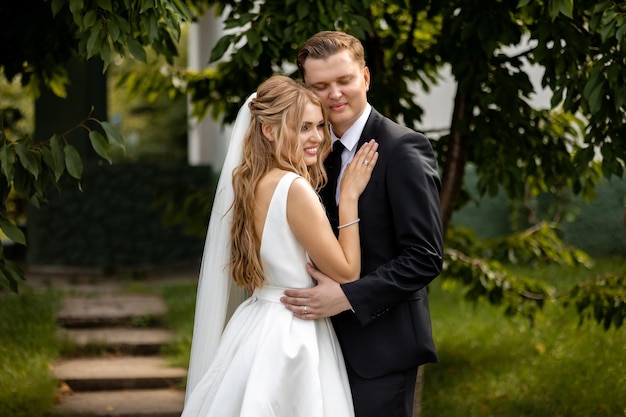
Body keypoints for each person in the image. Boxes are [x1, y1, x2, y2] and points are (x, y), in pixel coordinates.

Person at [181, 75, 379, 417]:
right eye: (302, 127)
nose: (317, 137)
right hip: (292, 331)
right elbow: (347, 272)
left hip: (257, 320)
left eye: (319, 126)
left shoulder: (251, 181)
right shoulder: (293, 187)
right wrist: (348, 197)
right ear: (269, 130)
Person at [280, 31, 444, 417]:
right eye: (321, 86)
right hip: (315, 344)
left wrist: (348, 296)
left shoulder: (403, 149)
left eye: (345, 80)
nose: (334, 94)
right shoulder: (307, 154)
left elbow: (424, 257)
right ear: (306, 89)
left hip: (382, 348)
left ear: (366, 78)